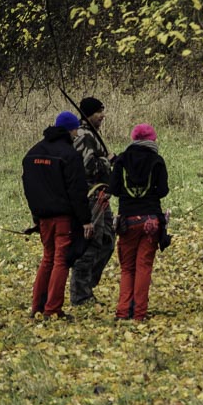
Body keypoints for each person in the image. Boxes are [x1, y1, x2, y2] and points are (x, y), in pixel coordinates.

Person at [22, 111, 94, 319]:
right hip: (63, 217)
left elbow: (29, 187)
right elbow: (77, 191)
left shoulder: (32, 153)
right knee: (61, 261)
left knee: (47, 259)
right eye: (75, 130)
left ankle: (37, 306)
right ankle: (53, 309)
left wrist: (36, 215)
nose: (76, 134)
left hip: (43, 216)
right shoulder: (70, 155)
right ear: (70, 129)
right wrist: (86, 220)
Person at [109, 123, 169, 322]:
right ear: (152, 140)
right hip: (151, 220)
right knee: (144, 267)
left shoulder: (122, 160)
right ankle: (139, 314)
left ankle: (123, 311)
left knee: (127, 268)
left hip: (127, 220)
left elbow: (114, 189)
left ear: (133, 138)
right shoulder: (157, 160)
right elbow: (162, 191)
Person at [70, 96, 116, 305]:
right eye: (99, 112)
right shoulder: (84, 136)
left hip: (102, 196)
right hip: (90, 197)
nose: (102, 116)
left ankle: (89, 284)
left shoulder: (91, 134)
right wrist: (109, 161)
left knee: (108, 240)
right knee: (92, 244)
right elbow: (88, 167)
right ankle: (81, 294)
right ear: (89, 114)